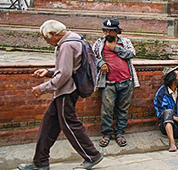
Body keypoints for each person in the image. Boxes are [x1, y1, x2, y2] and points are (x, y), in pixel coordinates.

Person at [18, 20, 103, 170]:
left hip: (67, 91)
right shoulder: (76, 38)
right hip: (68, 89)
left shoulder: (67, 45)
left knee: (70, 124)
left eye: (46, 38)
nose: (47, 41)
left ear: (53, 34)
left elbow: (64, 74)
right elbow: (68, 67)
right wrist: (49, 72)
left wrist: (42, 88)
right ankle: (40, 161)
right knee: (48, 125)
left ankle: (92, 155)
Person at [92, 18, 139, 148]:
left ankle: (119, 133)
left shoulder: (125, 42)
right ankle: (106, 134)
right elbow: (91, 57)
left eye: (111, 31)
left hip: (126, 81)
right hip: (108, 82)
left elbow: (132, 54)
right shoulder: (99, 43)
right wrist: (101, 63)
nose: (108, 34)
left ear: (117, 31)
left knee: (123, 109)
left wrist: (115, 48)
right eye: (105, 31)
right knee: (107, 110)